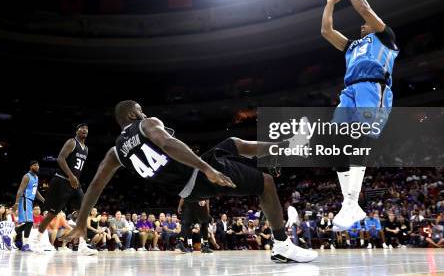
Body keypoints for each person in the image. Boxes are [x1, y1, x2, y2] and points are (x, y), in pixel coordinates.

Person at [63, 101, 317, 263]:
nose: (144, 111)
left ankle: (281, 149)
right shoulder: (147, 124)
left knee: (233, 144)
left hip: (186, 189)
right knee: (266, 183)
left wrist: (82, 223)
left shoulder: (114, 153)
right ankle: (282, 244)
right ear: (132, 113)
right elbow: (169, 144)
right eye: (140, 109)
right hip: (197, 177)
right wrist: (206, 169)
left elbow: (95, 185)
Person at [320, 0, 399, 231]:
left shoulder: (386, 38)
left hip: (373, 88)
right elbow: (326, 31)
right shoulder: (352, 46)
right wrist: (330, 3)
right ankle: (350, 204)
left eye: (366, 23)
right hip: (350, 91)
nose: (362, 24)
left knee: (357, 138)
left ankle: (352, 202)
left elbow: (365, 10)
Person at [30, 124, 95, 255]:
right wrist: (70, 176)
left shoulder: (86, 149)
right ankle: (36, 241)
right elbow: (60, 158)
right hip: (62, 182)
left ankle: (82, 245)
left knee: (84, 211)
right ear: (76, 131)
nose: (84, 130)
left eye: (86, 129)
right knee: (52, 214)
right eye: (81, 128)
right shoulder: (72, 142)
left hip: (75, 184)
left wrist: (74, 178)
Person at [13, 160, 45, 252]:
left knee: (29, 223)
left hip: (30, 200)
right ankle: (25, 244)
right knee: (30, 222)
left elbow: (36, 191)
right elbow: (20, 190)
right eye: (35, 165)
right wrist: (16, 203)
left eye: (38, 165)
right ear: (31, 167)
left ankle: (12, 235)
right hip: (24, 199)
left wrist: (43, 200)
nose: (37, 166)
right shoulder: (27, 176)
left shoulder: (36, 177)